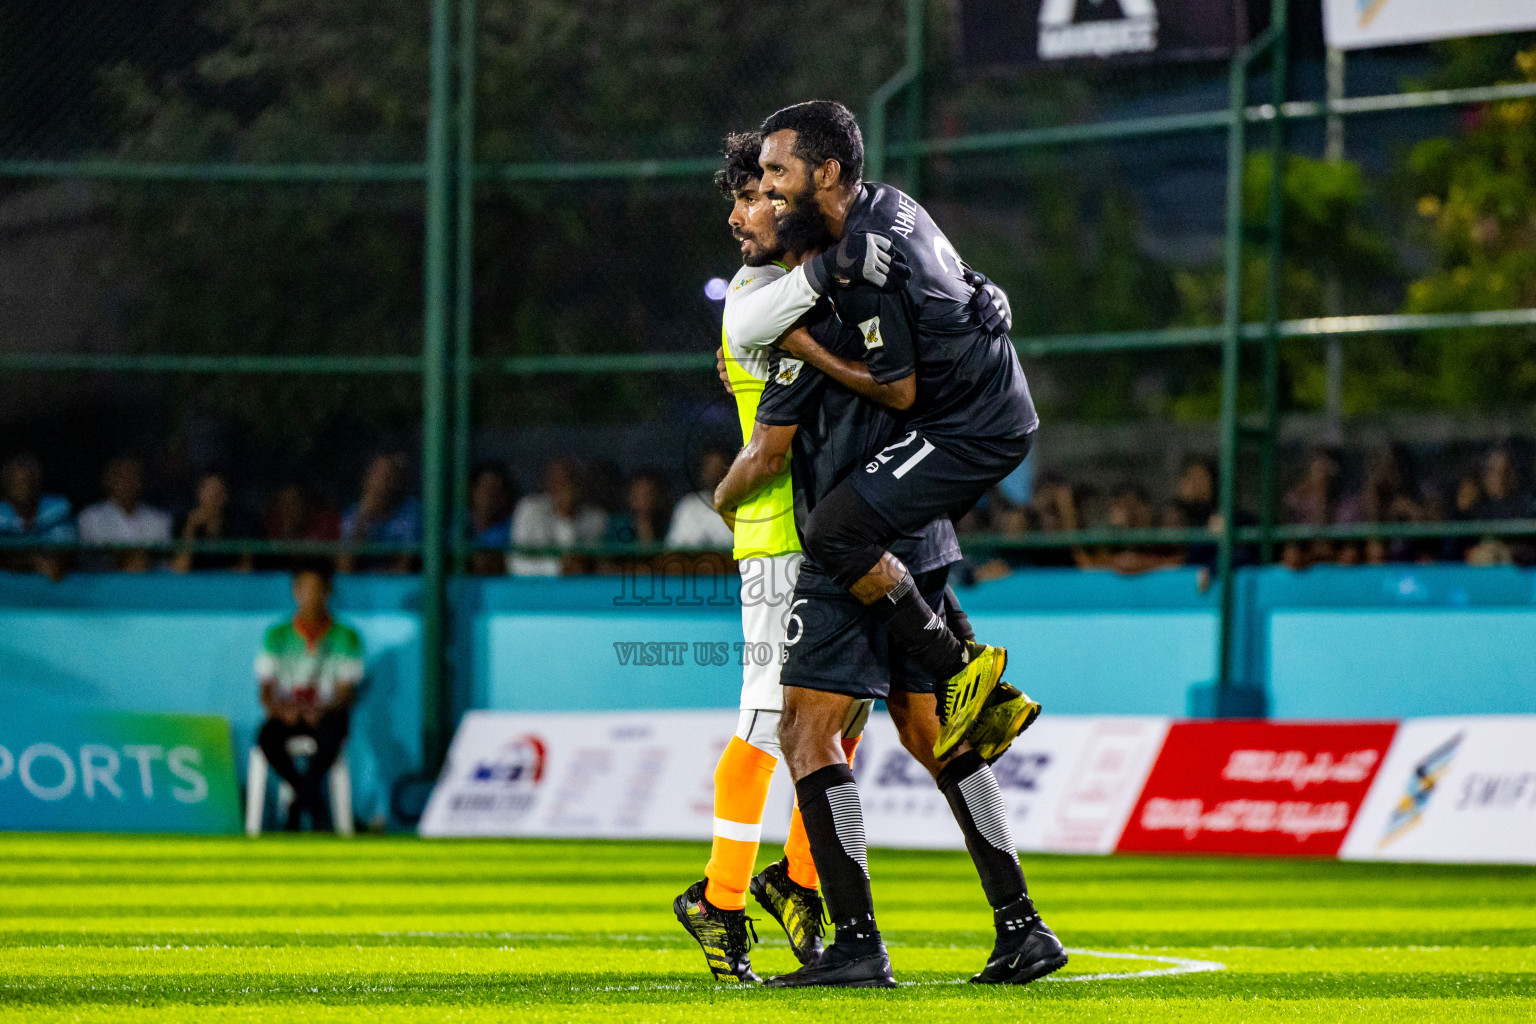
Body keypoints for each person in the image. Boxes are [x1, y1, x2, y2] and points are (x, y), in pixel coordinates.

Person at [681, 131, 1059, 990]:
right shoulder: (879, 266)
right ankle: (1021, 925)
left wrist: (719, 493)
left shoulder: (806, 312)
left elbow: (772, 448)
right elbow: (940, 312)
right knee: (936, 734)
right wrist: (986, 294)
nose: (761, 208)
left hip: (850, 534)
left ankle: (853, 943)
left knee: (803, 730)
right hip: (915, 528)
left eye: (773, 194)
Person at [724, 100, 1039, 763]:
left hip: (966, 427)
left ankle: (962, 673)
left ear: (826, 173)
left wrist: (807, 352)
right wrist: (984, 288)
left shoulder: (854, 269)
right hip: (981, 413)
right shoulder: (890, 205)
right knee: (909, 713)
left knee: (837, 533)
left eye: (778, 172)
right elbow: (941, 280)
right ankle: (976, 682)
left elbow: (896, 390)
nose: (770, 188)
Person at [254, 562, 363, 832]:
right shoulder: (276, 635)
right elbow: (266, 691)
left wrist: (322, 710)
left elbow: (346, 695)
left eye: (317, 589)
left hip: (327, 718)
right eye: (305, 588)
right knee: (266, 738)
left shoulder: (346, 637)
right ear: (295, 591)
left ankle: (296, 808)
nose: (311, 596)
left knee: (333, 734)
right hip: (288, 715)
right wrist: (283, 710)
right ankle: (312, 802)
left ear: (328, 592)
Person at [508, 456, 607, 576]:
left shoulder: (596, 517)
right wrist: (557, 568)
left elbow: (577, 562)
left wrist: (566, 517)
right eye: (556, 480)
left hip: (578, 588)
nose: (562, 487)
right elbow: (516, 564)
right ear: (546, 483)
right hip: (535, 588)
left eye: (568, 480)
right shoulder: (529, 509)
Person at [77, 455, 172, 572]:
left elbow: (164, 563)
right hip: (104, 586)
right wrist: (125, 559)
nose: (126, 481)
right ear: (107, 480)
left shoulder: (159, 519)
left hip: (149, 585)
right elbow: (93, 561)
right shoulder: (90, 517)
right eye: (120, 475)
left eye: (132, 475)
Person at [339, 453, 421, 574]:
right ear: (367, 479)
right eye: (377, 474)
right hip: (360, 586)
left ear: (397, 481)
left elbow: (404, 567)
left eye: (388, 475)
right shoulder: (354, 514)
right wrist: (363, 518)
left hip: (397, 587)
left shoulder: (410, 512)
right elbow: (344, 568)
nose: (382, 483)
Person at [0, 453, 75, 580]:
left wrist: (55, 562)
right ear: (7, 485)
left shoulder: (58, 509)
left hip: (49, 587)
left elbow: (65, 552)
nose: (24, 488)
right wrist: (30, 562)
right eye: (17, 482)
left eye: (28, 481)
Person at [172, 471, 253, 573]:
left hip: (227, 585)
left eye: (219, 492)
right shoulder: (183, 522)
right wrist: (190, 528)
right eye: (209, 491)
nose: (214, 497)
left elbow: (245, 569)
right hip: (193, 585)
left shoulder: (238, 525)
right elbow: (180, 568)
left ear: (225, 496)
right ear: (199, 493)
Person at [664, 449, 736, 552]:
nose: (714, 474)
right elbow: (673, 548)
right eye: (710, 468)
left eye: (719, 467)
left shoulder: (740, 507)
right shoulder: (688, 505)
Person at [468, 463, 516, 576]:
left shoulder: (511, 528)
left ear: (504, 496)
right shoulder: (457, 526)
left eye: (495, 490)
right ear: (473, 491)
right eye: (484, 488)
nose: (489, 496)